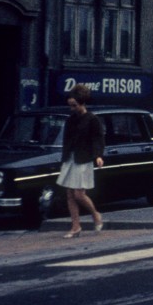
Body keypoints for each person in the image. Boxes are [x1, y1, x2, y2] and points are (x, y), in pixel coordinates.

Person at [58, 83, 105, 238]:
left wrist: (98, 155)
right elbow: (66, 139)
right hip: (70, 158)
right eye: (70, 105)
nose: (72, 108)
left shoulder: (92, 119)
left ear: (82, 103)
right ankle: (75, 226)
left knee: (79, 194)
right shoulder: (70, 120)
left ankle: (95, 214)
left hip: (83, 159)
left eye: (74, 105)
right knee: (70, 194)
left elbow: (98, 138)